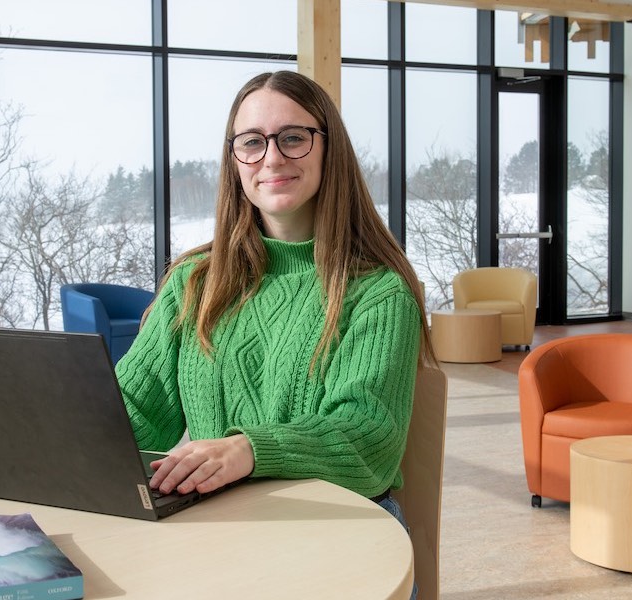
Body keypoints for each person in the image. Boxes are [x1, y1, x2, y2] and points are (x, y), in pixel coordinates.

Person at [114, 70, 434, 530]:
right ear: (234, 160)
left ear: (329, 148)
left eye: (292, 137)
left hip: (343, 529)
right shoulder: (194, 282)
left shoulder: (378, 291)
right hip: (224, 526)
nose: (272, 158)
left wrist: (247, 449)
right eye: (251, 142)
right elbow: (137, 412)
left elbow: (368, 439)